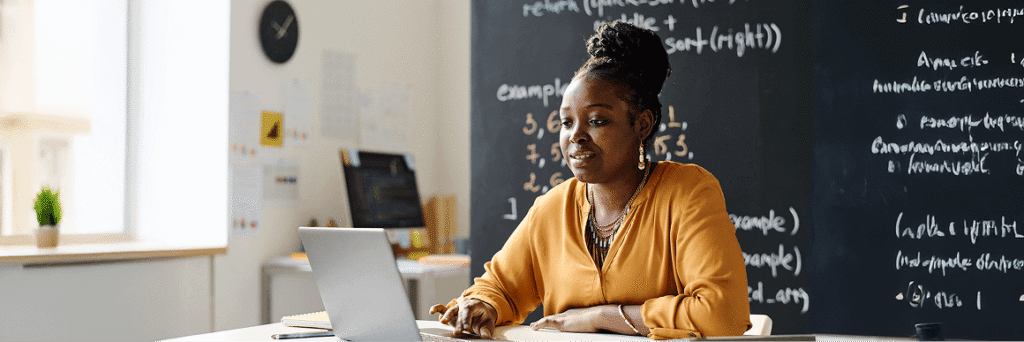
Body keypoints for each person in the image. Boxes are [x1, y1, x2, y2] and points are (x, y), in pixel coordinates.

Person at [430, 20, 751, 340]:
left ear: (642, 124)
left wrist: (601, 317)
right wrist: (481, 305)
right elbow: (499, 287)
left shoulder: (688, 193)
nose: (576, 136)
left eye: (597, 120)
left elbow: (722, 315)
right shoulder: (553, 208)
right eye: (566, 122)